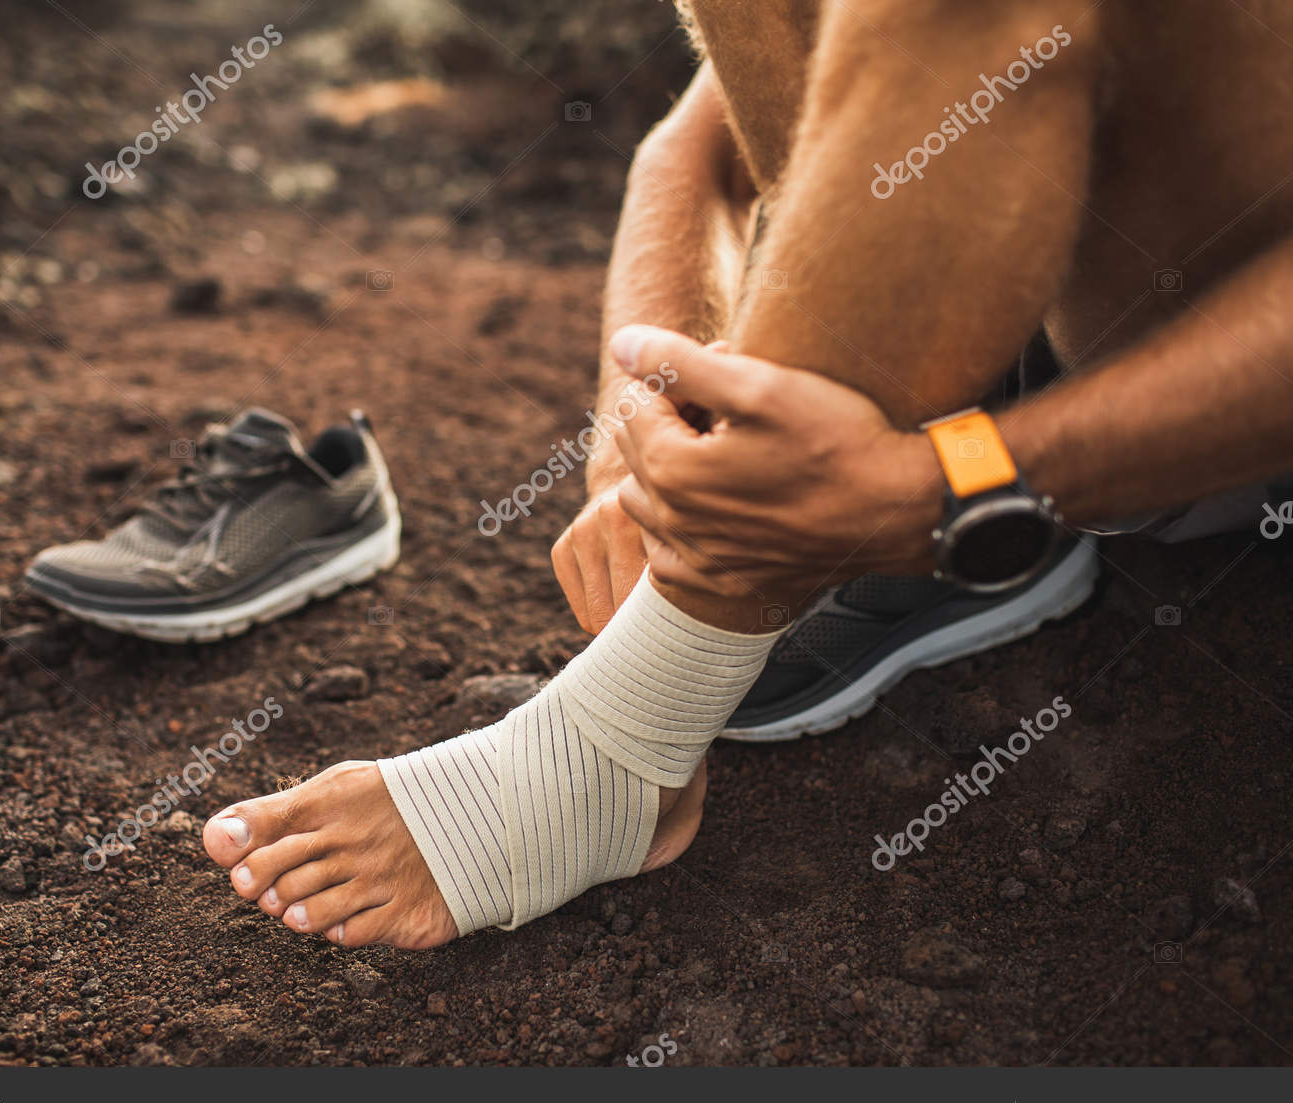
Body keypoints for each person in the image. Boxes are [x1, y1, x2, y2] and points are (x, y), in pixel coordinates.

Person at [199, 0, 1293, 948]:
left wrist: (957, 486)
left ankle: (628, 743)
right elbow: (692, 156)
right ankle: (870, 497)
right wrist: (646, 442)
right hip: (1028, 344)